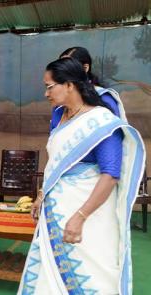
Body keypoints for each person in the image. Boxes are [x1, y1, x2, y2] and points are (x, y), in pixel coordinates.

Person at [18, 58, 145, 294]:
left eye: (49, 86)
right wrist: (41, 196)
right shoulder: (59, 116)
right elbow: (57, 164)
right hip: (55, 213)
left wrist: (80, 217)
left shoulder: (102, 122)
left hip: (90, 217)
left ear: (69, 85)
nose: (46, 93)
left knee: (93, 278)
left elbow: (110, 175)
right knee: (48, 278)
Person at [50, 46, 127, 133]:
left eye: (68, 68)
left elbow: (112, 139)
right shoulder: (60, 104)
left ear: (85, 68)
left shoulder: (104, 99)